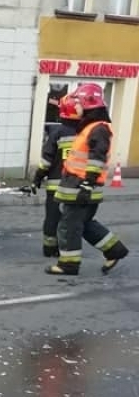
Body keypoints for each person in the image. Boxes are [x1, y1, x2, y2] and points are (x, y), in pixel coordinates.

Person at [46, 82, 129, 277]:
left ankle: (68, 265)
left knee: (69, 226)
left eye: (78, 102)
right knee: (84, 224)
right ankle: (115, 250)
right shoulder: (91, 127)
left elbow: (96, 159)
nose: (76, 106)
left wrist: (87, 184)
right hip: (78, 186)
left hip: (81, 187)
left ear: (89, 104)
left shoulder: (98, 129)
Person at [31, 94, 80, 257]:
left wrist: (38, 177)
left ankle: (49, 248)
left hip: (55, 185)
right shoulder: (84, 134)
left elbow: (46, 161)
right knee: (70, 219)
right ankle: (65, 247)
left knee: (52, 217)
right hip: (75, 185)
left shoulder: (57, 132)